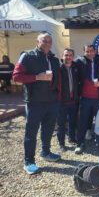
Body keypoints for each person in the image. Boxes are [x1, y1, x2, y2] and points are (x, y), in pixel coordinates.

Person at [13, 32, 61, 175]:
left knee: (48, 130)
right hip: (34, 102)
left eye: (49, 41)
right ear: (37, 41)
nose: (47, 43)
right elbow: (16, 76)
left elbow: (57, 80)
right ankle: (29, 161)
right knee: (31, 133)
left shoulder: (54, 59)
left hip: (51, 102)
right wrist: (36, 77)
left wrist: (57, 97)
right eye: (44, 41)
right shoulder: (27, 56)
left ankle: (45, 152)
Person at [75, 44, 99, 154]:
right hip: (85, 98)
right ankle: (80, 143)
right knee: (82, 122)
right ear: (84, 52)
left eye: (92, 51)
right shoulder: (79, 62)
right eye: (87, 51)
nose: (90, 53)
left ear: (95, 51)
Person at [57, 48, 80, 151]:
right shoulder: (58, 68)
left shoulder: (76, 67)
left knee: (72, 121)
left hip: (73, 100)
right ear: (62, 56)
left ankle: (71, 138)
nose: (68, 57)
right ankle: (61, 143)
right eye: (66, 55)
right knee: (61, 123)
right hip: (61, 101)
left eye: (70, 55)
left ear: (73, 57)